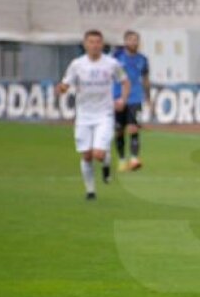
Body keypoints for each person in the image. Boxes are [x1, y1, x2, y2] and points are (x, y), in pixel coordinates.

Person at [56, 30, 130, 200]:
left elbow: (125, 81)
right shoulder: (77, 64)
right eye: (91, 42)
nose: (95, 45)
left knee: (98, 154)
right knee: (87, 155)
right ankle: (90, 191)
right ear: (85, 44)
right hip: (83, 115)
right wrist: (61, 89)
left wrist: (122, 99)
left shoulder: (111, 63)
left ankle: (105, 161)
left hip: (104, 114)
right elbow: (66, 84)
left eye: (98, 42)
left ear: (102, 44)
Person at [112, 30, 151, 172]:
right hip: (118, 98)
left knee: (134, 128)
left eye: (136, 40)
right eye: (130, 39)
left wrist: (148, 98)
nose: (133, 42)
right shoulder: (116, 57)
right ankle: (122, 159)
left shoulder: (143, 59)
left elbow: (145, 79)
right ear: (125, 41)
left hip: (135, 98)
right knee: (119, 130)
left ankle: (134, 159)